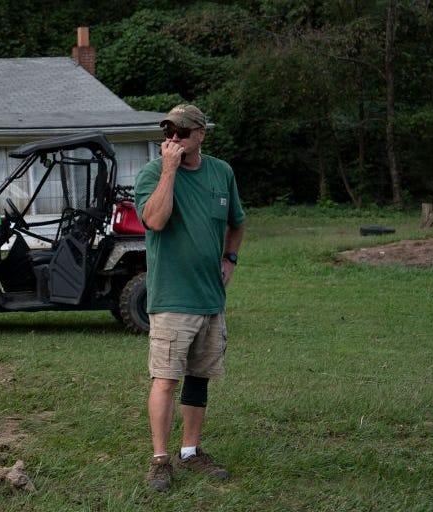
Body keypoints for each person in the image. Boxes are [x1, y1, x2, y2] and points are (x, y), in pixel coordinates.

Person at [133, 104, 246, 492]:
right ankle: (160, 459)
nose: (173, 140)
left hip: (210, 299)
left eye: (181, 133)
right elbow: (156, 220)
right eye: (168, 133)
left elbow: (237, 221)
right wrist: (168, 170)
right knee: (165, 380)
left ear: (201, 134)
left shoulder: (221, 172)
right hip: (171, 299)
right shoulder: (152, 173)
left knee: (199, 379)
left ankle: (190, 451)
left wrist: (230, 257)